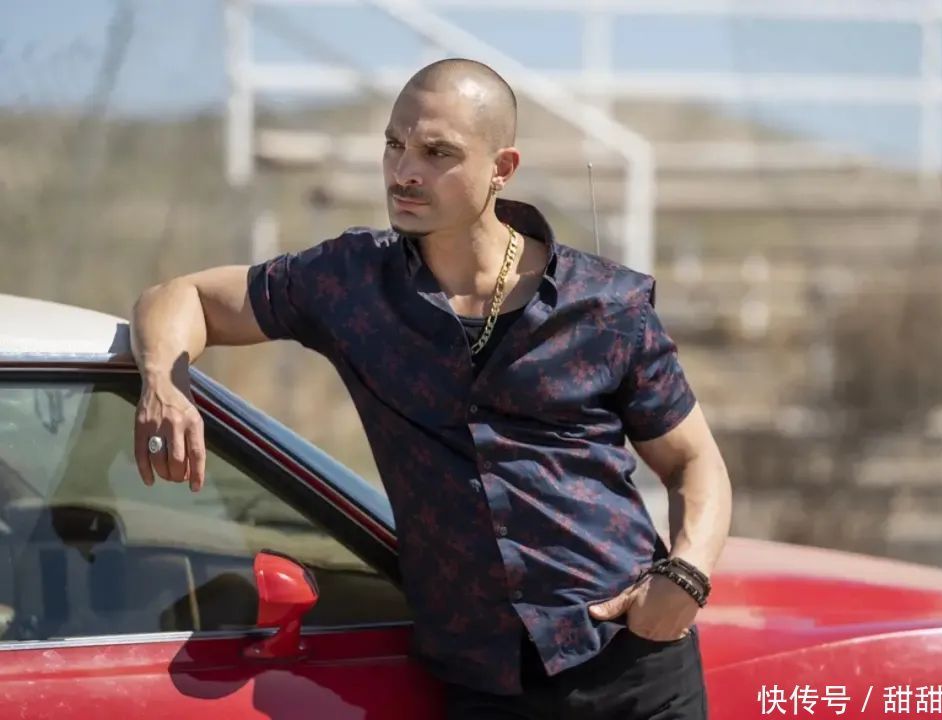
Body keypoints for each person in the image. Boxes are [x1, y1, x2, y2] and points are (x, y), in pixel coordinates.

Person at [131, 57, 732, 719]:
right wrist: (164, 382)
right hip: (484, 685)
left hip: (631, 665)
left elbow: (693, 461)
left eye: (437, 153)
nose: (404, 172)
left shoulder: (605, 304)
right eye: (395, 145)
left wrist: (686, 574)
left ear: (502, 168)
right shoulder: (350, 284)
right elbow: (180, 297)